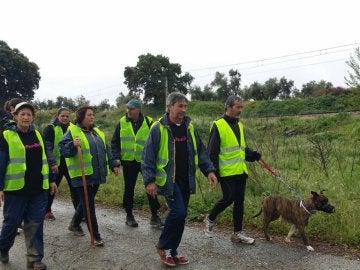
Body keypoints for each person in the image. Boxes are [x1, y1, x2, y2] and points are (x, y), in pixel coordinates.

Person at [141, 92, 218, 267]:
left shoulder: (189, 127)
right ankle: (163, 247)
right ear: (169, 107)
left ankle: (173, 250)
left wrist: (210, 171)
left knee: (181, 217)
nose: (183, 109)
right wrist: (149, 181)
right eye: (180, 106)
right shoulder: (158, 128)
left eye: (185, 106)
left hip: (186, 179)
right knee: (179, 212)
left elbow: (201, 151)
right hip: (169, 181)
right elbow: (148, 157)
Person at [0, 102, 58, 269]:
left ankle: (34, 259)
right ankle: (3, 248)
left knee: (35, 223)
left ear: (33, 117)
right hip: (16, 190)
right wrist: (0, 187)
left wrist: (52, 179)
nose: (26, 117)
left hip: (38, 190)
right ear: (15, 116)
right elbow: (1, 163)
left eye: (29, 114)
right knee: (11, 223)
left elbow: (45, 159)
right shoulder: (7, 136)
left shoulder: (38, 135)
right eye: (22, 114)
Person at [204, 95, 261, 244]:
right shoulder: (218, 125)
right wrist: (213, 172)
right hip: (226, 171)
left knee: (239, 202)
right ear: (228, 107)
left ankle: (237, 233)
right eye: (238, 107)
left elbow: (240, 148)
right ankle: (210, 218)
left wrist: (252, 154)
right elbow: (212, 151)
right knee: (228, 198)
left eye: (242, 107)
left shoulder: (239, 125)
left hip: (241, 171)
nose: (240, 110)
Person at [59, 105, 119, 246]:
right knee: (89, 205)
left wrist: (113, 165)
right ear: (81, 117)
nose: (92, 117)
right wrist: (72, 145)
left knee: (85, 202)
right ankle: (96, 236)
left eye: (93, 115)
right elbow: (63, 150)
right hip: (81, 176)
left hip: (96, 174)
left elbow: (106, 150)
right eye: (89, 115)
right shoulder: (72, 131)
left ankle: (74, 224)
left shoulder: (98, 132)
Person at [111, 98, 163, 228]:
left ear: (139, 109)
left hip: (145, 162)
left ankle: (155, 216)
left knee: (151, 187)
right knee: (129, 189)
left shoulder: (149, 122)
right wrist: (116, 158)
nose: (128, 110)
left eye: (131, 108)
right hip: (128, 162)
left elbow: (158, 141)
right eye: (127, 108)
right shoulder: (122, 122)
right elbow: (115, 142)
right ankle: (129, 215)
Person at [43, 107, 79, 221]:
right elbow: (48, 148)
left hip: (70, 164)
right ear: (57, 116)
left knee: (75, 188)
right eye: (62, 116)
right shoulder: (50, 128)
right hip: (56, 165)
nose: (65, 118)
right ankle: (47, 211)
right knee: (52, 188)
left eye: (67, 116)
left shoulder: (74, 128)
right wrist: (52, 163)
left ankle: (78, 212)